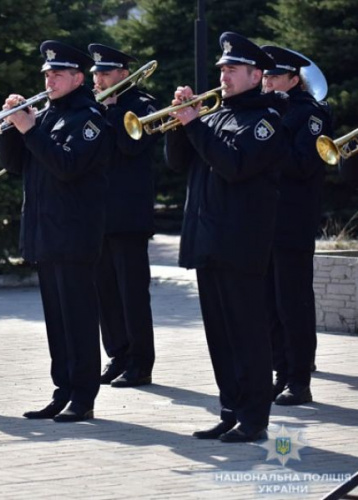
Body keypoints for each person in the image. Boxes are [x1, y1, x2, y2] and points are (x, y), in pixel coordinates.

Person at [164, 32, 288, 442]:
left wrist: (195, 124)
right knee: (219, 334)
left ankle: (255, 418)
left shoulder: (266, 121)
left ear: (256, 75)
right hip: (207, 240)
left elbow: (233, 165)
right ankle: (230, 408)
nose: (224, 76)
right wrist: (181, 124)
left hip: (241, 243)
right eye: (222, 69)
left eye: (232, 70)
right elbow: (178, 162)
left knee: (247, 333)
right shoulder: (214, 115)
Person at [0, 40, 113, 422]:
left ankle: (83, 395)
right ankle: (62, 389)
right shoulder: (47, 114)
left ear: (78, 78)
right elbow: (16, 165)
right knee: (57, 320)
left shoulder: (90, 118)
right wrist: (12, 126)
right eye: (46, 73)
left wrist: (30, 128)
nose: (49, 79)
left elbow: (66, 166)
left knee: (78, 317)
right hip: (46, 231)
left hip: (75, 232)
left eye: (57, 73)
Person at [260, 45, 333, 406]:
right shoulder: (265, 110)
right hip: (262, 221)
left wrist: (270, 136)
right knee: (269, 304)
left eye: (274, 76)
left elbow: (304, 165)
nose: (267, 81)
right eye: (265, 75)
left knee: (293, 304)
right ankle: (280, 372)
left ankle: (299, 379)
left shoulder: (310, 116)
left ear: (293, 79)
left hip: (292, 221)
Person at [88, 43, 158, 388]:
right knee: (105, 291)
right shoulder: (93, 107)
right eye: (96, 73)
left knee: (132, 293)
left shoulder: (143, 107)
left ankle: (141, 362)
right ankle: (117, 354)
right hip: (97, 214)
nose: (98, 80)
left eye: (105, 73)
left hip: (129, 216)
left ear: (123, 75)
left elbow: (133, 147)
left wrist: (114, 112)